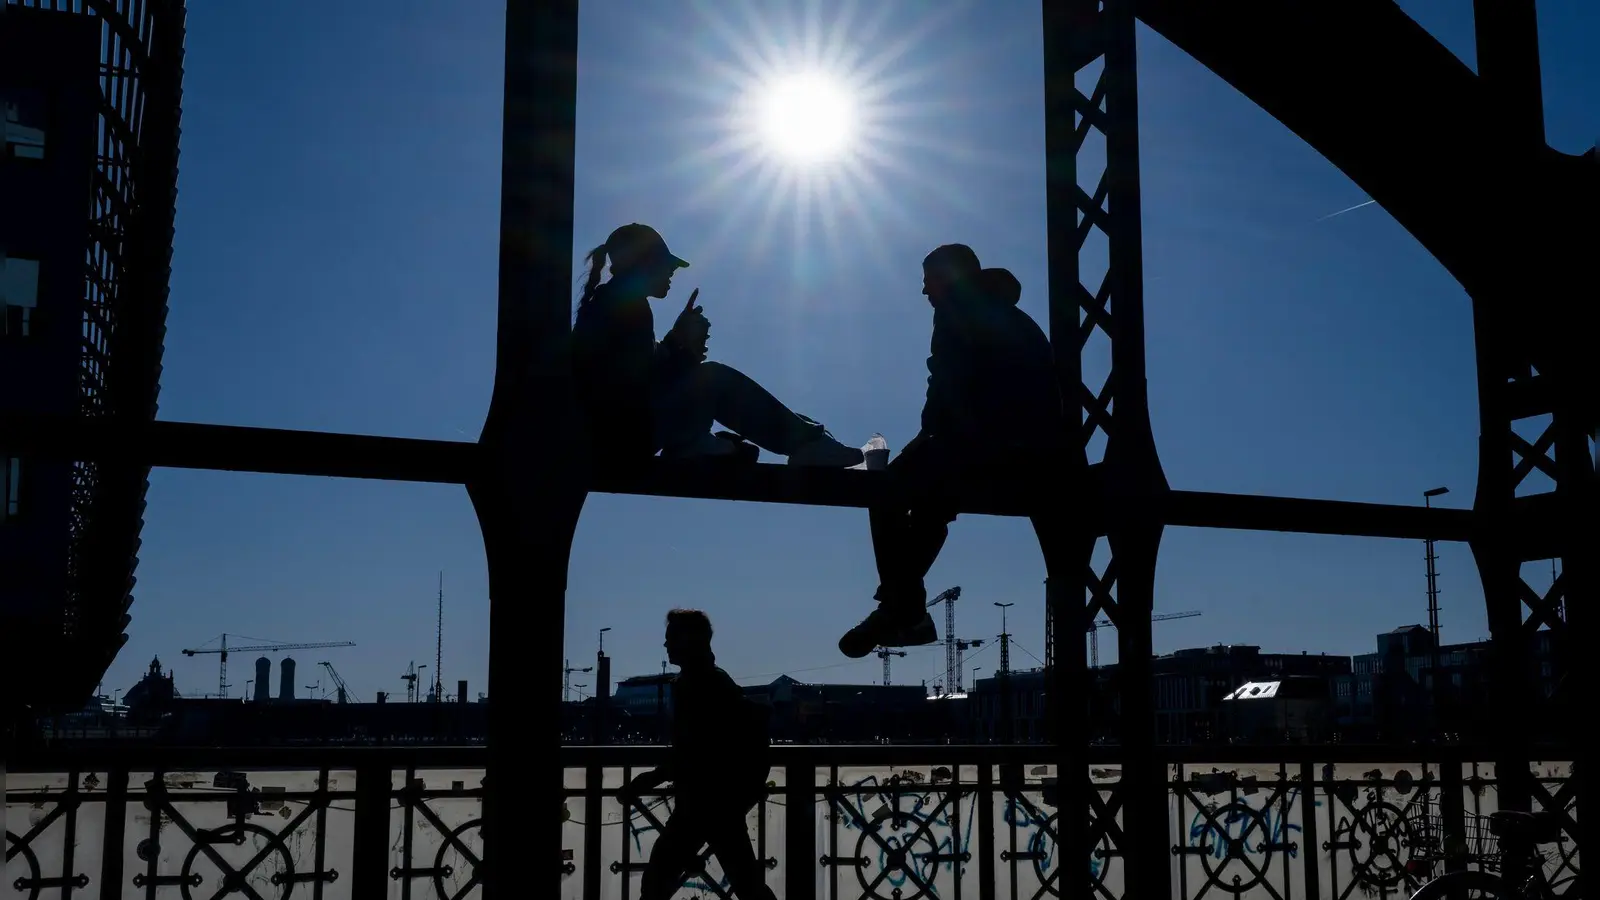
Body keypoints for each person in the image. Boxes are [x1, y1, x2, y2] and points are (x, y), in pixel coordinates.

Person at [838, 244, 1067, 659]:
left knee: (883, 487)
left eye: (928, 280)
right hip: (1033, 453)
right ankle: (902, 609)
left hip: (989, 446)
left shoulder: (957, 312)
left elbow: (947, 386)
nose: (924, 291)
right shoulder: (1007, 315)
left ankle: (902, 607)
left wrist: (926, 441)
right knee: (929, 503)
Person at [571, 223, 864, 467]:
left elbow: (639, 369)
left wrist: (677, 342)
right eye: (666, 264)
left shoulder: (612, 303)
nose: (672, 272)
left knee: (713, 388)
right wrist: (685, 353)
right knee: (713, 377)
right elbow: (633, 390)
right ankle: (806, 443)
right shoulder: (628, 307)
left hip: (615, 438)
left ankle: (707, 442)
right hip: (623, 441)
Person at [623, 609, 777, 900]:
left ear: (689, 640)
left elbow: (697, 750)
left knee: (657, 880)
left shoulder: (697, 685)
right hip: (720, 802)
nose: (666, 645)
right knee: (747, 883)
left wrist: (653, 778)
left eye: (671, 638)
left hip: (703, 802)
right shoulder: (714, 681)